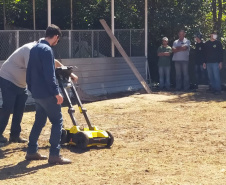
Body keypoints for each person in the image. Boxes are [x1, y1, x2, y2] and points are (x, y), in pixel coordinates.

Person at [25, 24, 73, 164]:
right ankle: (54, 154)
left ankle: (31, 151)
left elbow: (29, 72)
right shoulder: (47, 50)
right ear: (56, 37)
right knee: (57, 122)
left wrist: (31, 88)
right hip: (47, 93)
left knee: (39, 121)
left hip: (37, 93)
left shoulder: (34, 49)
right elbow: (49, 75)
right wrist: (56, 92)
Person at [0, 41, 37, 144]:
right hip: (8, 79)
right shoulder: (28, 50)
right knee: (7, 108)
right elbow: (31, 70)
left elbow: (51, 61)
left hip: (21, 84)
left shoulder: (40, 51)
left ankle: (15, 136)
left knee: (19, 109)